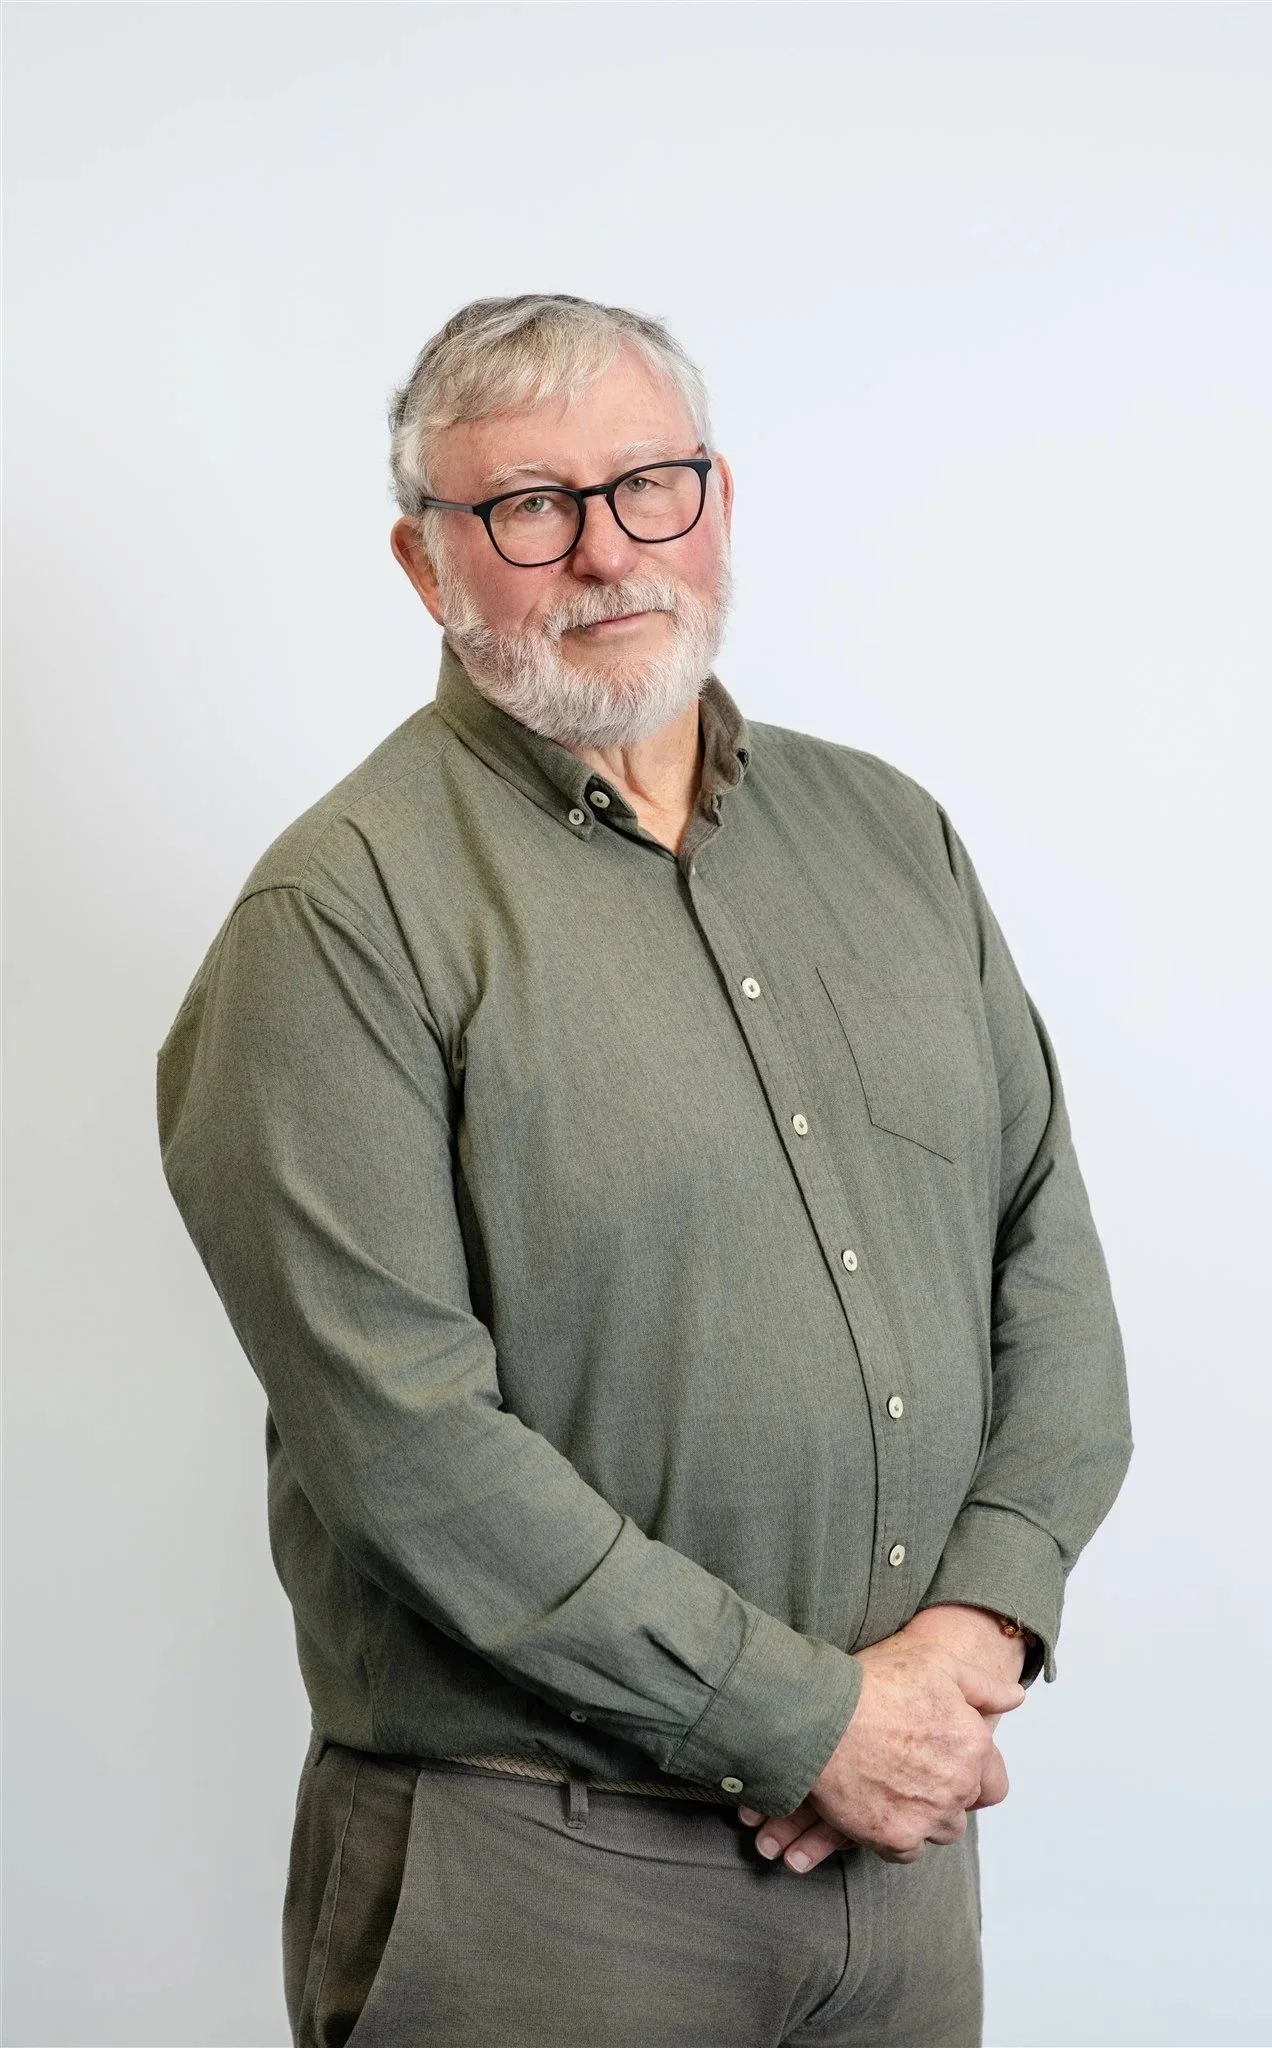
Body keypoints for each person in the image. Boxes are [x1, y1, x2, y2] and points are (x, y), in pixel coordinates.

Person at [155, 292, 1133, 2048]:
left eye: (648, 486)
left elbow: (1047, 1272)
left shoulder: (891, 837)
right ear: (424, 562)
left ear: (722, 500)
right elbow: (409, 1452)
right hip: (540, 1874)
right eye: (527, 506)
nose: (604, 552)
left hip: (905, 1856)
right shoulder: (341, 918)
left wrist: (967, 1644)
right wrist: (804, 1722)